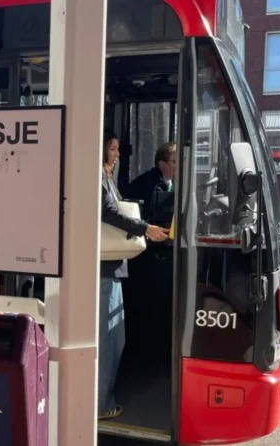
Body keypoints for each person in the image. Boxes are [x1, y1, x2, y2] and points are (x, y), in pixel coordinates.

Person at [98, 132, 169, 420]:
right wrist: (144, 228)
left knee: (114, 337)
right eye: (112, 149)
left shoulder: (105, 176)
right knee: (110, 339)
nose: (116, 154)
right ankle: (101, 404)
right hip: (105, 267)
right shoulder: (97, 176)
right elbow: (107, 211)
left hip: (111, 265)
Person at [126, 142, 176, 221]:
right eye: (174, 162)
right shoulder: (150, 183)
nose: (178, 166)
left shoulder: (173, 183)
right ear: (161, 164)